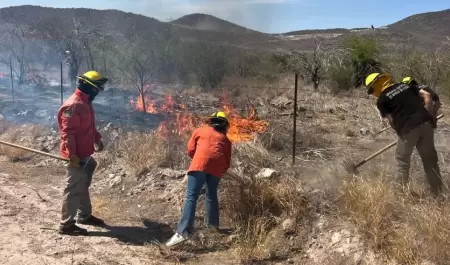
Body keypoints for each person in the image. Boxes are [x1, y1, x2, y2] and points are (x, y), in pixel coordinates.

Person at [365, 72, 443, 196]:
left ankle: (398, 195)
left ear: (376, 85)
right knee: (430, 160)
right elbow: (427, 95)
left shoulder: (382, 100)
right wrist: (430, 117)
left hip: (408, 128)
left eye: (371, 89)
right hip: (426, 125)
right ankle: (438, 192)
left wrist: (401, 133)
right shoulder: (405, 86)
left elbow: (391, 120)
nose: (372, 93)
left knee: (402, 161)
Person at [166, 111, 232, 247]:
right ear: (225, 125)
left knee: (191, 197)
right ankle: (213, 226)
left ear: (211, 121)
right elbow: (226, 162)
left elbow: (190, 150)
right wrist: (218, 169)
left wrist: (200, 159)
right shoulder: (226, 140)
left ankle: (182, 232)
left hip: (199, 165)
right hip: (217, 169)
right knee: (211, 195)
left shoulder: (200, 131)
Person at [57, 70, 108, 235]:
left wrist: (97, 138)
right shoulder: (74, 105)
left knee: (82, 185)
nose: (99, 91)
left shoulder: (85, 102)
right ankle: (66, 225)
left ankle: (84, 216)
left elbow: (88, 127)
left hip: (85, 154)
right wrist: (72, 155)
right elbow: (67, 133)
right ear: (90, 87)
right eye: (98, 88)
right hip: (76, 156)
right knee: (73, 188)